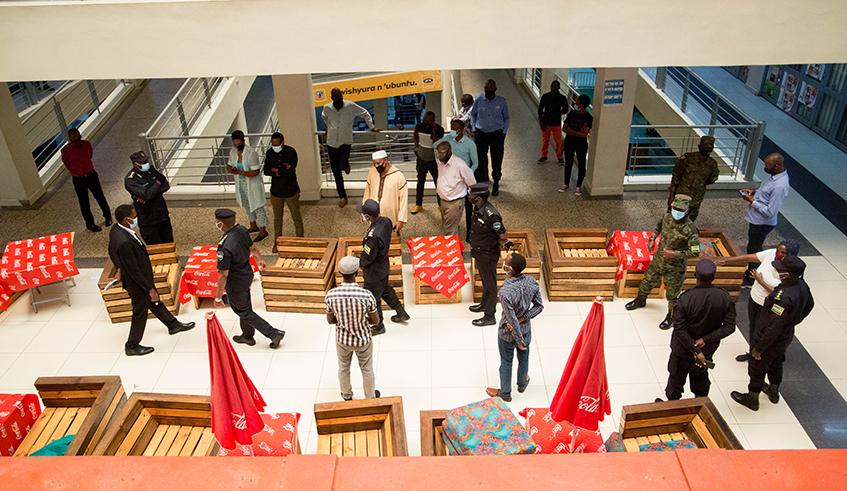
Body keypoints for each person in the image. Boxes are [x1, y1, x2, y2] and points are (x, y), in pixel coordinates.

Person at [108, 204, 194, 356]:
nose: (136, 219)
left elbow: (110, 250)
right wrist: (150, 289)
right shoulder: (124, 242)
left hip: (140, 278)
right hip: (137, 283)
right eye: (134, 217)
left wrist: (119, 267)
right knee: (140, 311)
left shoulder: (116, 229)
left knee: (155, 304)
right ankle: (132, 345)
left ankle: (173, 325)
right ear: (125, 219)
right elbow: (134, 271)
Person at [731, 255, 814, 411]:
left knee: (757, 368)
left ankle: (752, 398)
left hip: (768, 339)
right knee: (776, 362)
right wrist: (793, 321)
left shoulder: (782, 299)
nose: (777, 270)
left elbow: (773, 328)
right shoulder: (802, 286)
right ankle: (773, 391)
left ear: (787, 274)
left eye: (780, 269)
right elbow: (810, 305)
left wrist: (758, 349)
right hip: (785, 336)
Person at [659, 259, 735, 402]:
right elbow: (729, 327)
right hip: (706, 350)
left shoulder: (686, 298)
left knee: (676, 380)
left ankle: (671, 408)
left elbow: (680, 329)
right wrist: (704, 341)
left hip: (683, 349)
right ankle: (700, 409)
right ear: (713, 277)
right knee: (700, 377)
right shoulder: (724, 297)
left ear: (695, 275)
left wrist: (694, 348)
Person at [714, 239, 800, 362]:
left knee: (764, 330)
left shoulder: (793, 272)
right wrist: (727, 260)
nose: (778, 254)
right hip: (755, 299)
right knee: (753, 326)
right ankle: (752, 351)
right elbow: (750, 257)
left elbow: (782, 294)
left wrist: (760, 281)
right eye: (778, 250)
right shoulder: (771, 254)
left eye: (783, 252)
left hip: (769, 305)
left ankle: (761, 354)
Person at [625, 194, 701, 330]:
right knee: (647, 280)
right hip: (659, 260)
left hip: (675, 267)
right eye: (675, 208)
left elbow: (695, 252)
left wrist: (675, 254)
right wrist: (652, 239)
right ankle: (640, 300)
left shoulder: (691, 230)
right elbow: (658, 227)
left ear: (687, 211)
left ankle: (672, 316)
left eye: (680, 209)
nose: (676, 212)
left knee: (672, 295)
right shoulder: (666, 218)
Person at [212, 208, 285, 349]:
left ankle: (273, 333)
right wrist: (261, 259)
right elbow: (252, 247)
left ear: (221, 224)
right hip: (246, 274)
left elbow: (223, 274)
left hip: (235, 283)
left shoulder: (224, 247)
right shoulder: (242, 230)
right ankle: (247, 335)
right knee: (245, 306)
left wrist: (217, 297)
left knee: (243, 311)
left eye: (217, 222)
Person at [485, 253, 543, 403]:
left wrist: (519, 341)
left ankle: (505, 392)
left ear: (510, 269)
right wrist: (524, 318)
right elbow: (539, 306)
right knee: (524, 358)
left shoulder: (505, 292)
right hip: (526, 330)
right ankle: (522, 383)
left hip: (507, 335)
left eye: (505, 263)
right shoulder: (532, 281)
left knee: (506, 362)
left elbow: (511, 321)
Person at [325, 256, 381, 401]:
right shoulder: (366, 295)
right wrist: (362, 319)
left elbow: (331, 320)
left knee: (343, 367)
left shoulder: (331, 295)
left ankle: (347, 395)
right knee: (367, 369)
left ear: (340, 273)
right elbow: (375, 320)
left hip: (342, 340)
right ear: (357, 273)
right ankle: (370, 397)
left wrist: (343, 320)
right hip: (363, 340)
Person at [357, 199, 410, 335]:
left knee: (373, 299)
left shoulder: (373, 237)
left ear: (368, 216)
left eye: (363, 214)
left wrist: (358, 263)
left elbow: (368, 257)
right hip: (383, 267)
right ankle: (401, 312)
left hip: (373, 272)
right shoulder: (386, 221)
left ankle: (378, 325)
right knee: (385, 289)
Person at [321, 88, 379, 208]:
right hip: (331, 142)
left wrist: (371, 127)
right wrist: (329, 126)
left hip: (345, 142)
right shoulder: (327, 108)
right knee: (336, 171)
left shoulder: (351, 106)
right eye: (337, 98)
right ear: (332, 98)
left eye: (340, 97)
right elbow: (324, 117)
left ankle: (346, 164)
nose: (339, 100)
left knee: (342, 165)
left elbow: (365, 114)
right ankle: (342, 195)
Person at [740, 153, 789, 287]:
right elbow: (767, 195)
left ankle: (752, 277)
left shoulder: (779, 186)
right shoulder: (774, 177)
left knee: (755, 249)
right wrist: (754, 193)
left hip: (762, 223)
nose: (765, 167)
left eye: (768, 166)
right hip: (756, 219)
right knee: (753, 246)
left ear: (777, 166)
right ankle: (752, 272)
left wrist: (752, 201)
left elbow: (771, 211)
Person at [468, 183, 512, 326]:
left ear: (478, 197)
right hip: (480, 253)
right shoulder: (478, 208)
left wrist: (498, 243)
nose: (469, 196)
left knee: (490, 284)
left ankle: (489, 316)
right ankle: (484, 304)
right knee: (485, 282)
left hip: (488, 255)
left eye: (471, 194)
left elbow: (503, 235)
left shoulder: (491, 215)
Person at [435, 119, 479, 241]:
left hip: (455, 202)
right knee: (451, 228)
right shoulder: (441, 161)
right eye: (437, 154)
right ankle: (455, 249)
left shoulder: (460, 165)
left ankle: (453, 256)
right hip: (444, 201)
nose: (438, 157)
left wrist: (470, 195)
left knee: (450, 232)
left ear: (449, 152)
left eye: (441, 154)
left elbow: (472, 181)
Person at [61, 128, 111, 232]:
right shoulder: (66, 150)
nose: (75, 138)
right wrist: (76, 171)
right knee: (84, 202)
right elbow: (67, 164)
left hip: (91, 175)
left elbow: (90, 155)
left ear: (80, 135)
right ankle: (90, 224)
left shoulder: (87, 144)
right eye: (72, 137)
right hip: (78, 179)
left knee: (100, 196)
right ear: (69, 138)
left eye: (76, 136)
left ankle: (108, 216)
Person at [263, 132, 303, 250]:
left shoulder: (291, 152)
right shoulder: (270, 153)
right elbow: (266, 170)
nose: (274, 147)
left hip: (291, 191)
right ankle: (277, 242)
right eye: (273, 144)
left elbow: (290, 172)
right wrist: (281, 170)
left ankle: (301, 240)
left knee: (296, 216)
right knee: (277, 218)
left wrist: (276, 170)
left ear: (282, 143)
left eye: (277, 144)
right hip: (276, 192)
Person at [125, 151, 174, 245]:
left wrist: (150, 194)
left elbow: (165, 185)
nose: (146, 164)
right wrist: (156, 184)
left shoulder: (151, 170)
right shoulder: (131, 180)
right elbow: (148, 195)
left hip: (162, 215)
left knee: (169, 243)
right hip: (148, 221)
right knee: (155, 248)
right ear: (135, 164)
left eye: (146, 161)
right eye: (143, 162)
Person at [470, 80, 510, 195]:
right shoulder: (478, 100)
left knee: (497, 160)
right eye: (486, 86)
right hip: (481, 134)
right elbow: (473, 115)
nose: (488, 89)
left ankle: (496, 183)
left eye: (491, 87)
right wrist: (474, 128)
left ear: (495, 89)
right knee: (479, 159)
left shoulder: (501, 101)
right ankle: (477, 184)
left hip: (496, 135)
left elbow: (506, 117)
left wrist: (504, 132)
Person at [667, 135, 719, 222]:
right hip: (680, 197)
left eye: (708, 148)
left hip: (695, 199)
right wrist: (671, 194)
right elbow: (676, 175)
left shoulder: (712, 164)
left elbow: (712, 179)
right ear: (699, 147)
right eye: (704, 147)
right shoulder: (687, 158)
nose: (706, 150)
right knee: (671, 221)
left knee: (689, 223)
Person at [229, 130, 269, 242]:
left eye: (238, 144)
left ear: (243, 141)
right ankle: (253, 226)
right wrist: (232, 170)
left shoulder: (251, 153)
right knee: (247, 205)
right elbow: (229, 165)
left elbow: (255, 171)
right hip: (241, 184)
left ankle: (263, 231)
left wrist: (240, 172)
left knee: (257, 206)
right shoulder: (233, 152)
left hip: (252, 184)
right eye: (234, 144)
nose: (236, 146)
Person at [362, 150, 408, 234]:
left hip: (391, 218)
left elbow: (403, 200)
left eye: (378, 163)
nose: (376, 166)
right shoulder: (372, 172)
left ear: (385, 160)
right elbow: (367, 192)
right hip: (374, 216)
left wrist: (401, 220)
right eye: (374, 164)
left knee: (391, 241)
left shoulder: (398, 176)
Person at [411, 111, 445, 214]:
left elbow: (435, 144)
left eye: (429, 122)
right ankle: (418, 204)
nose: (426, 124)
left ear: (433, 121)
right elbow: (415, 135)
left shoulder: (439, 129)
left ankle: (440, 204)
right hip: (421, 159)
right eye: (424, 121)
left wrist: (434, 131)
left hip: (433, 161)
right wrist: (416, 146)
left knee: (437, 182)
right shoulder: (419, 126)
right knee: (420, 182)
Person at [559, 94, 593, 197]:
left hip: (581, 145)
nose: (576, 103)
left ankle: (578, 186)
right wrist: (577, 133)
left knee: (582, 164)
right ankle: (566, 184)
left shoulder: (588, 118)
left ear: (582, 105)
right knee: (568, 163)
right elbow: (564, 128)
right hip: (569, 142)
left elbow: (584, 135)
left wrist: (571, 131)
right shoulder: (572, 113)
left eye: (578, 101)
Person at [537, 80, 568, 164]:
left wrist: (558, 113)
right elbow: (540, 111)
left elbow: (565, 110)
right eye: (552, 86)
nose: (553, 88)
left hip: (556, 123)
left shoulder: (562, 98)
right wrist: (541, 123)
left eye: (555, 87)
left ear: (559, 88)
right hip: (546, 122)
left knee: (558, 141)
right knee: (545, 140)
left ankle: (560, 157)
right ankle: (544, 156)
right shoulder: (545, 96)